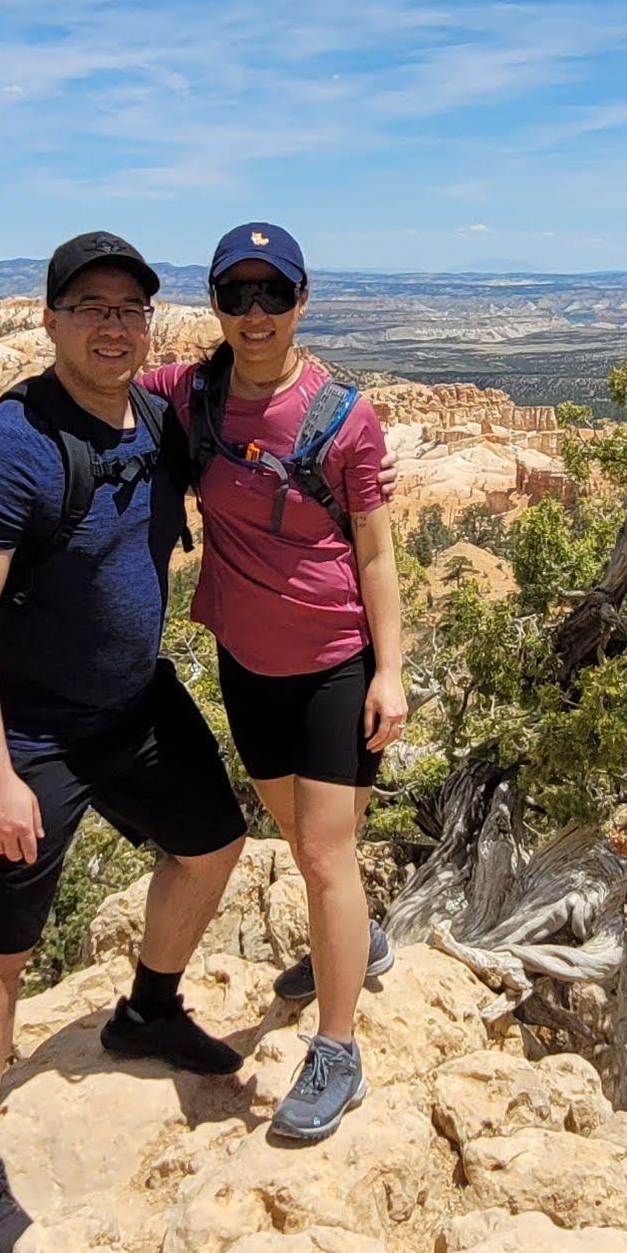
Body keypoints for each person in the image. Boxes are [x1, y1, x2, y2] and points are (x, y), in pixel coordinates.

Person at [0, 228, 251, 1253]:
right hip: (31, 732)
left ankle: (147, 1010)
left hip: (131, 703)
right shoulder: (6, 447)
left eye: (129, 308)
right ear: (51, 318)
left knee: (211, 840)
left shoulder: (153, 416)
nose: (113, 324)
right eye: (91, 306)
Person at [161, 218, 408, 1147]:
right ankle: (362, 942)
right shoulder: (192, 396)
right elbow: (99, 389)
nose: (255, 312)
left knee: (323, 853)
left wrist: (390, 669)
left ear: (301, 301)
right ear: (216, 304)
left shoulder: (345, 417)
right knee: (295, 828)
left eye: (273, 293)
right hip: (246, 657)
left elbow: (377, 554)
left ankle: (337, 1050)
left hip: (334, 661)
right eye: (236, 294)